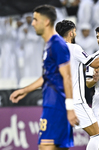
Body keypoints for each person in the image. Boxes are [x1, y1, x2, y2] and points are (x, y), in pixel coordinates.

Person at [9, 5, 79, 150]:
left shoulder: (57, 45)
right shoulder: (49, 45)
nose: (32, 23)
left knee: (45, 146)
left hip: (57, 106)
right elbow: (48, 76)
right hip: (51, 104)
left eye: (35, 19)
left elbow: (67, 77)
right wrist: (25, 90)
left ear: (46, 22)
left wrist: (70, 108)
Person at [55, 20, 99, 150]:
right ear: (71, 33)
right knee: (97, 134)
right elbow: (95, 63)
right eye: (75, 31)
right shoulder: (74, 48)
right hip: (75, 101)